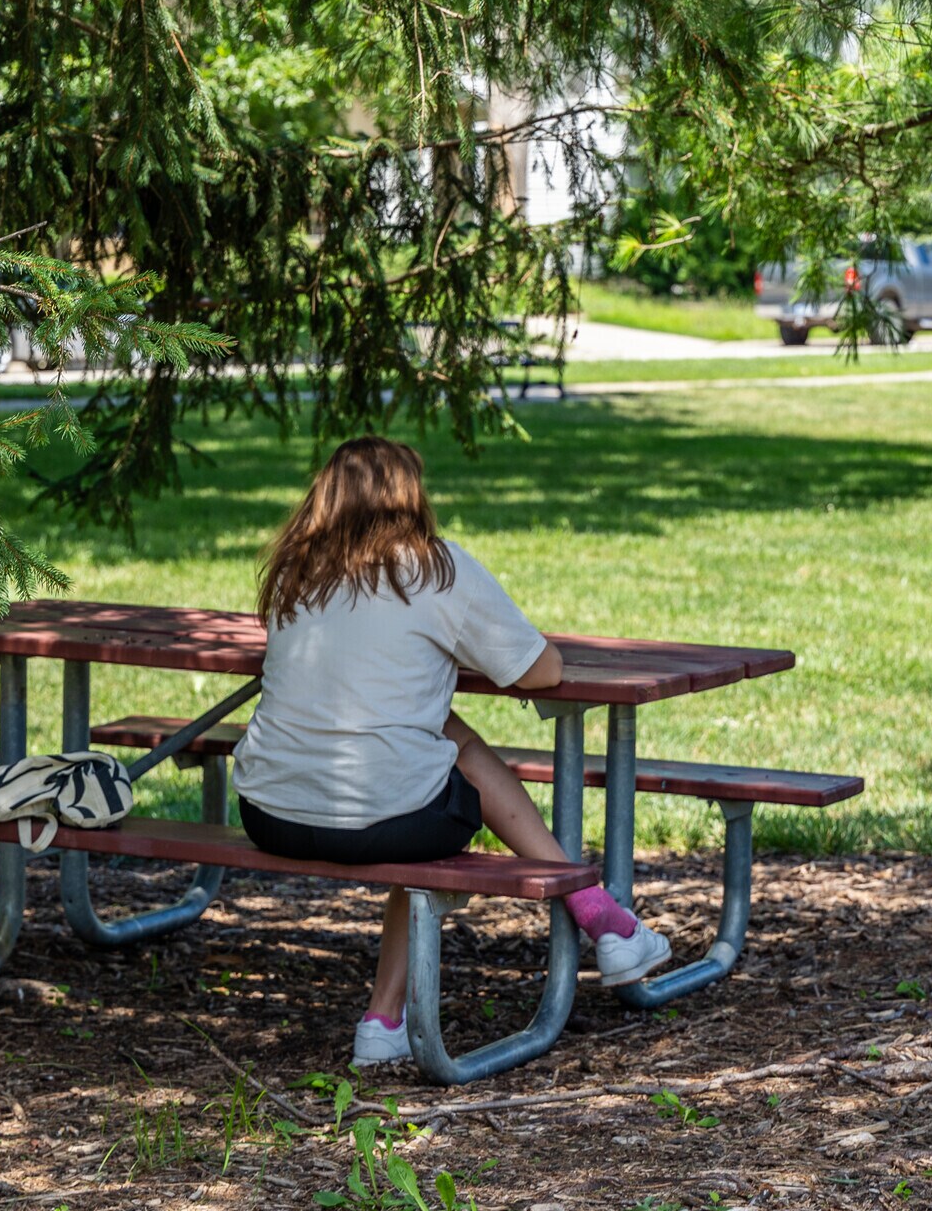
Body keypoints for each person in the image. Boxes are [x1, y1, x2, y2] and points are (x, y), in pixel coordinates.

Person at [231, 436, 671, 1066]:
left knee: (441, 738)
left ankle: (388, 1024)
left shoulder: (296, 575)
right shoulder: (437, 569)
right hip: (384, 819)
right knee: (430, 773)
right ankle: (598, 913)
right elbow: (542, 670)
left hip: (270, 815)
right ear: (412, 497)